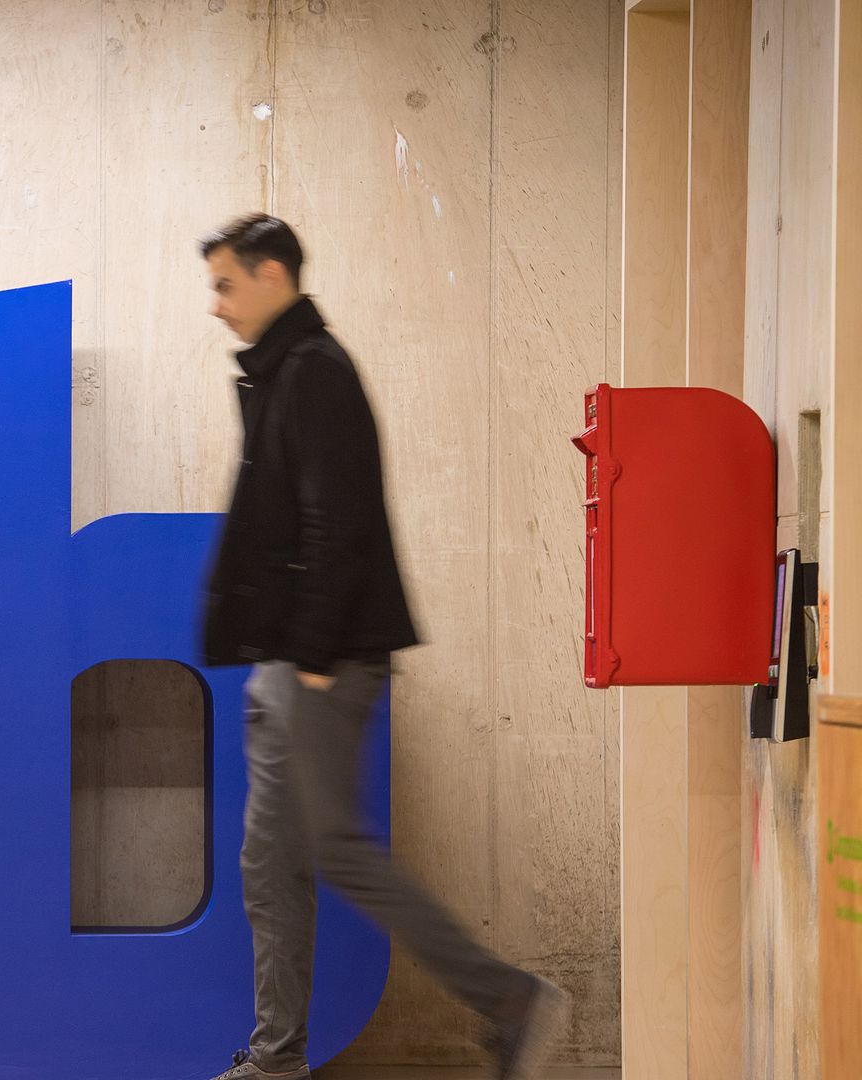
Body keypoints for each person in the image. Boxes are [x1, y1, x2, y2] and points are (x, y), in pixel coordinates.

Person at [197, 214, 569, 1080]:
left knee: (338, 852)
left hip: (321, 659)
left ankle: (508, 999)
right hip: (287, 657)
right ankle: (278, 1057)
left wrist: (316, 654)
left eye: (225, 284)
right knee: (269, 860)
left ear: (272, 276)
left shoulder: (316, 371)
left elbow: (342, 518)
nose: (215, 306)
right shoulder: (283, 372)